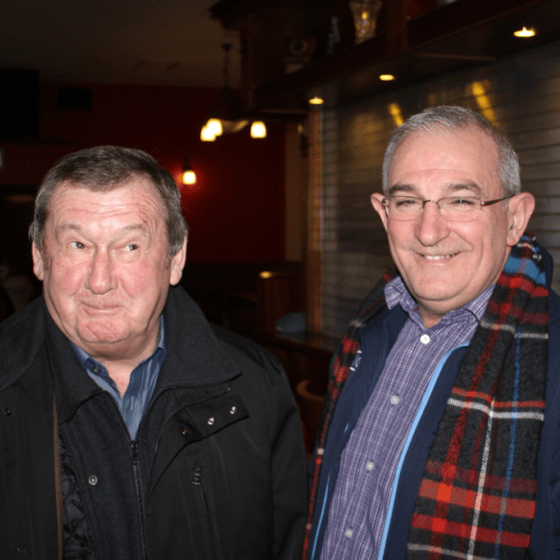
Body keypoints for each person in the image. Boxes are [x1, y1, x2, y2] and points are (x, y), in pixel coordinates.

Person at [0, 146, 307, 559]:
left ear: (175, 258)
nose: (100, 281)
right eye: (78, 244)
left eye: (129, 246)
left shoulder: (255, 383)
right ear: (40, 257)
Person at [304, 105, 560, 559]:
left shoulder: (550, 362)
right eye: (407, 202)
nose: (428, 232)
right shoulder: (367, 331)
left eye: (460, 201)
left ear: (515, 218)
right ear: (384, 214)